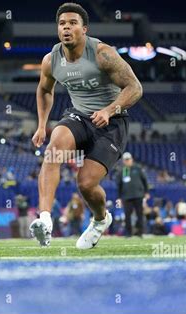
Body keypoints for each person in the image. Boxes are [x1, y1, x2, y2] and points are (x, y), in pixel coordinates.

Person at [28, 2, 143, 249]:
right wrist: (41, 125)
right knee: (54, 149)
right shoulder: (51, 60)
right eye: (62, 24)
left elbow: (135, 88)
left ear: (85, 29)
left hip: (111, 122)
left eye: (72, 23)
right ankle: (45, 220)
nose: (66, 28)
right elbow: (44, 90)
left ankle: (101, 220)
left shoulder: (103, 54)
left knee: (86, 184)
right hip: (79, 116)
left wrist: (110, 109)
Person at [116, 152, 149, 237]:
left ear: (131, 160)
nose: (127, 161)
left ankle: (140, 232)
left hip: (138, 195)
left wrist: (146, 192)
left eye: (128, 159)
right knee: (127, 215)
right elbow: (119, 185)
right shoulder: (121, 171)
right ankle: (128, 233)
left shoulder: (138, 169)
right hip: (126, 197)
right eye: (125, 160)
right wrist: (119, 197)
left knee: (140, 214)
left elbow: (144, 181)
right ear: (123, 161)